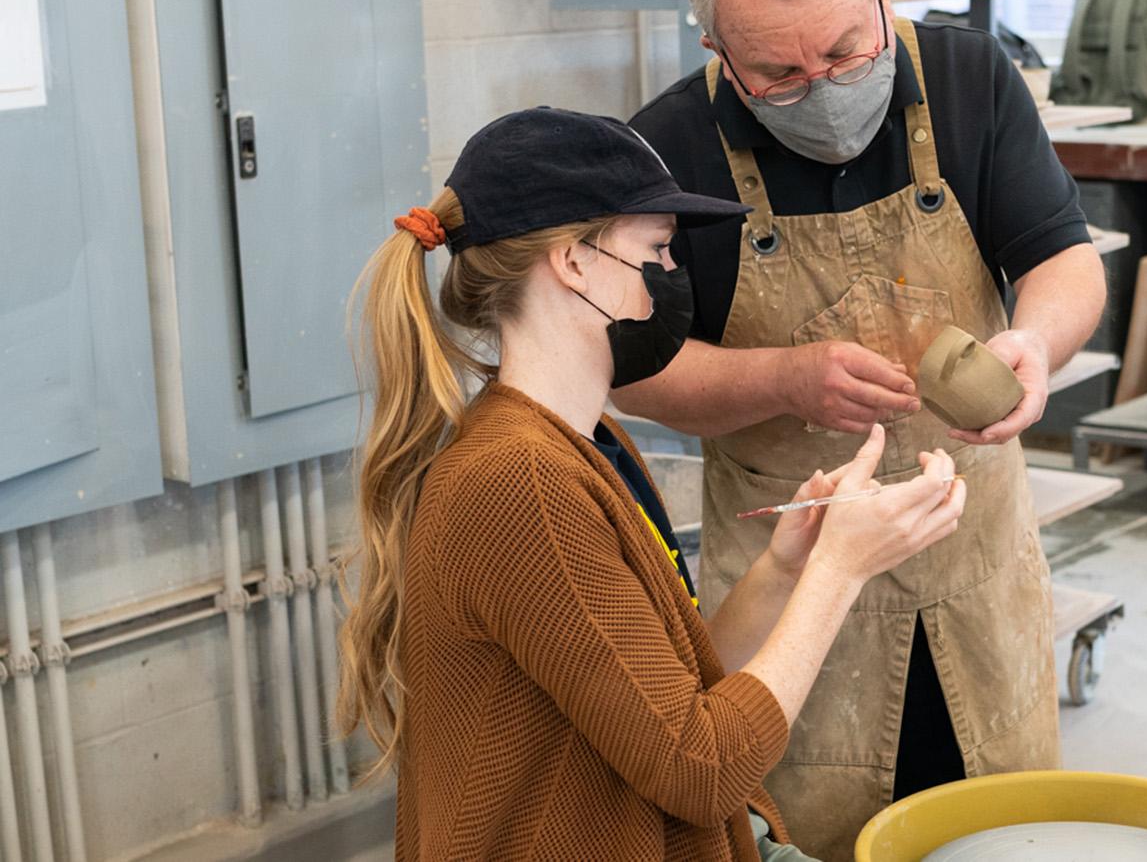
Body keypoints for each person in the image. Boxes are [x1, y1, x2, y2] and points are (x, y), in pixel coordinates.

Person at [334, 108, 966, 861]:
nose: (671, 277)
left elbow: (675, 697)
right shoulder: (517, 484)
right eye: (658, 250)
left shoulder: (585, 442)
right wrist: (842, 572)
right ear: (572, 261)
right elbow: (702, 770)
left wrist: (786, 567)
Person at [623, 0, 1109, 856]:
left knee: (999, 830)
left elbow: (1064, 259)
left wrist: (1036, 342)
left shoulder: (968, 81)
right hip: (796, 589)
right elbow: (633, 375)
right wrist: (781, 379)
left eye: (847, 53)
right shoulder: (666, 147)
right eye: (779, 75)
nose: (824, 92)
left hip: (973, 558)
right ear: (717, 47)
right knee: (804, 835)